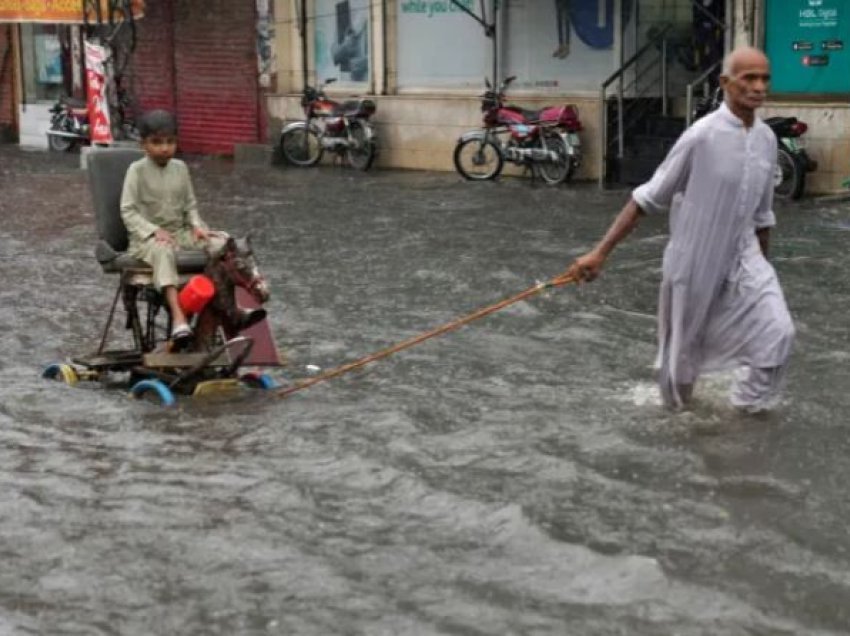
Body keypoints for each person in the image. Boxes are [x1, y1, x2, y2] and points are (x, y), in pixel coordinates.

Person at [566, 46, 795, 411]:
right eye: (749, 78)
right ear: (725, 83)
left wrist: (764, 272)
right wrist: (599, 253)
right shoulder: (701, 136)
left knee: (777, 332)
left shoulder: (767, 139)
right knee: (681, 363)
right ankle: (677, 426)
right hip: (694, 259)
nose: (758, 87)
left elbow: (763, 216)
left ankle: (748, 416)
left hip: (744, 254)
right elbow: (647, 199)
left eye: (765, 78)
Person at [120, 109, 263, 344]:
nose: (164, 148)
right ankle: (178, 319)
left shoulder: (181, 168)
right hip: (146, 240)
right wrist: (154, 231)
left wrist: (198, 226)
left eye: (169, 142)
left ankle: (234, 308)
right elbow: (128, 211)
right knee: (163, 249)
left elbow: (190, 206)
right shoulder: (136, 171)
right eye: (156, 142)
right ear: (144, 145)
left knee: (223, 242)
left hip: (180, 233)